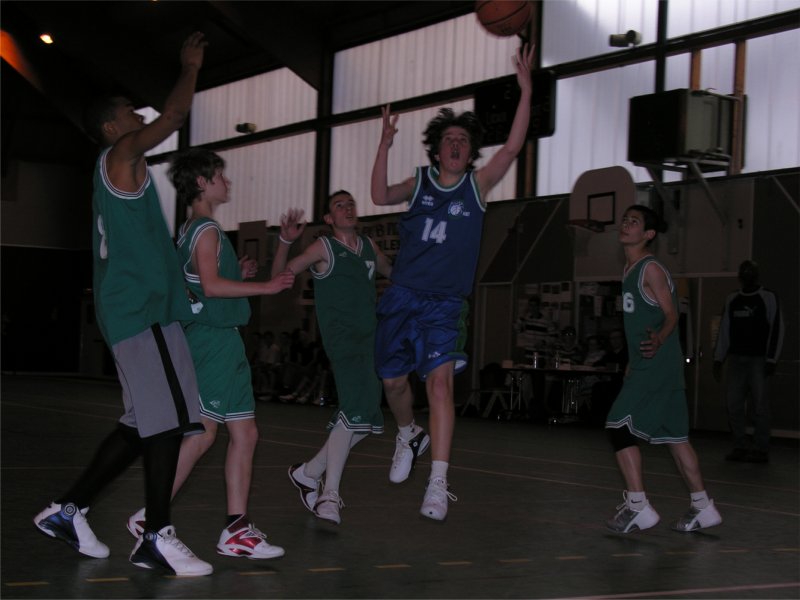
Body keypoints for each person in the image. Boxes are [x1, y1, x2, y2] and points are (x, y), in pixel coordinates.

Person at [33, 33, 215, 577]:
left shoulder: (121, 170)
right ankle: (156, 537)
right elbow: (175, 114)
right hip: (140, 313)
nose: (139, 115)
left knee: (145, 424)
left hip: (148, 310)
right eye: (129, 112)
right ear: (111, 127)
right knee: (166, 424)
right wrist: (189, 66)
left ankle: (68, 511)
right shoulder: (119, 156)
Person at [371, 43, 535, 520]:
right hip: (403, 295)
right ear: (438, 149)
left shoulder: (477, 186)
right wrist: (384, 143)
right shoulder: (419, 182)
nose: (457, 145)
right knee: (393, 382)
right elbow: (378, 195)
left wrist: (526, 91)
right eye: (450, 139)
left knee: (440, 386)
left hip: (444, 304)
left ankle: (438, 482)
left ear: (470, 151)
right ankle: (408, 433)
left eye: (464, 139)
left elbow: (513, 147)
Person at [125, 148, 295, 559]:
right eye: (220, 175)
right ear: (202, 182)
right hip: (212, 340)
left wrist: (241, 273)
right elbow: (212, 286)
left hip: (226, 341)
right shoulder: (206, 230)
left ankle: (236, 530)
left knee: (246, 434)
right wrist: (265, 286)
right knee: (203, 433)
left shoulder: (192, 229)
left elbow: (203, 282)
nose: (227, 181)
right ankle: (151, 514)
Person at [274, 192, 392, 525]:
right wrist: (284, 242)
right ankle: (330, 495)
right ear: (328, 219)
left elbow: (396, 273)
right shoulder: (323, 248)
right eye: (339, 205)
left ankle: (309, 473)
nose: (347, 208)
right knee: (354, 413)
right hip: (343, 342)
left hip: (371, 341)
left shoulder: (369, 247)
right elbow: (280, 277)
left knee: (366, 422)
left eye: (351, 203)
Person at [605, 204, 722, 534]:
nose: (626, 224)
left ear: (648, 234)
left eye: (634, 222)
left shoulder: (650, 269)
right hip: (655, 364)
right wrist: (632, 360)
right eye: (625, 219)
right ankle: (703, 506)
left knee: (618, 426)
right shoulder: (629, 269)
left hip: (657, 363)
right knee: (676, 438)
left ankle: (638, 505)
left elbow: (671, 315)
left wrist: (658, 340)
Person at [713, 260, 784, 463]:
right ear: (740, 276)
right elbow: (725, 330)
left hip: (758, 360)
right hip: (736, 360)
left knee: (760, 406)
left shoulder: (768, 297)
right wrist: (718, 359)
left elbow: (777, 328)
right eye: (744, 271)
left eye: (750, 271)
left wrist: (771, 359)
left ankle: (761, 448)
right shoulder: (732, 299)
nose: (747, 274)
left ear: (756, 274)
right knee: (733, 404)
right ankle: (740, 445)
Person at [515, 295, 558, 364]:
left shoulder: (546, 321)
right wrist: (522, 316)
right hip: (528, 356)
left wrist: (543, 342)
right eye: (530, 305)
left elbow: (554, 337)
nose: (532, 308)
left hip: (541, 356)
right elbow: (517, 328)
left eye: (534, 305)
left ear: (539, 307)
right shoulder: (526, 320)